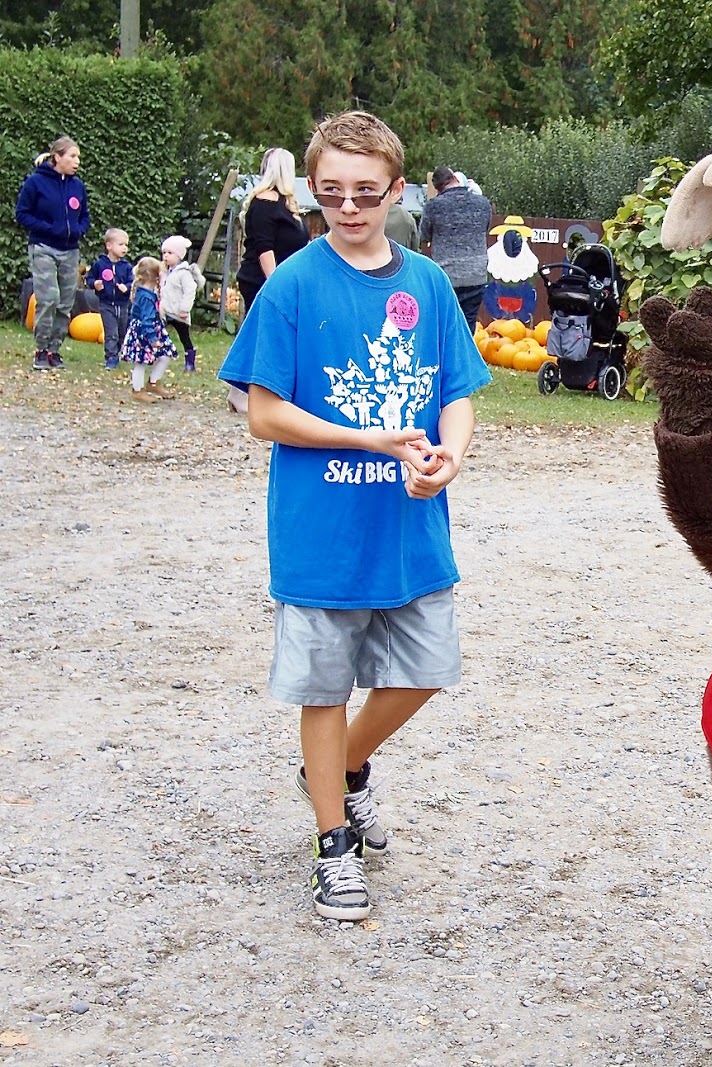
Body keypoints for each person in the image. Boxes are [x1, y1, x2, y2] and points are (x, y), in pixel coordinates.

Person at [217, 110, 491, 922]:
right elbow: (262, 413)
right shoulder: (295, 283)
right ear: (312, 190)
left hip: (410, 529)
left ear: (396, 192)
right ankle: (332, 840)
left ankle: (343, 765)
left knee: (425, 670)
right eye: (330, 192)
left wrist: (451, 458)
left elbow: (457, 395)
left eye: (365, 193)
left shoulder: (429, 283)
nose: (347, 207)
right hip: (320, 533)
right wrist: (368, 438)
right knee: (325, 686)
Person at [232, 147, 309, 413]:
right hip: (261, 279)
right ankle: (239, 392)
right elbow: (265, 248)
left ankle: (269, 391)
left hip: (283, 280)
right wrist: (274, 284)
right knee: (259, 335)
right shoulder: (264, 202)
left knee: (274, 337)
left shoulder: (286, 204)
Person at [15, 135, 91, 371]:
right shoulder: (35, 183)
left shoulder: (77, 186)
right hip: (43, 248)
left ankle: (54, 350)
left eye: (78, 156)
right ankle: (40, 350)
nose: (77, 161)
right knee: (48, 299)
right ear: (57, 157)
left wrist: (78, 230)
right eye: (72, 156)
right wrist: (50, 229)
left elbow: (85, 216)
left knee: (65, 303)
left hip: (70, 251)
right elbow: (22, 214)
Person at [418, 165, 491, 326]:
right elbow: (485, 228)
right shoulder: (483, 203)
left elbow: (424, 236)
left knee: (444, 325)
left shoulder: (433, 206)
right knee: (468, 324)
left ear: (438, 189)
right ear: (456, 179)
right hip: (476, 275)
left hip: (446, 276)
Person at [121, 256, 178, 403]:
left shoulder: (149, 293)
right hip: (145, 332)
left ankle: (153, 383)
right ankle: (137, 390)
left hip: (153, 328)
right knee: (141, 362)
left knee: (166, 354)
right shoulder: (145, 297)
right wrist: (152, 339)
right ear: (155, 276)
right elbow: (146, 320)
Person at [90, 227, 134, 371]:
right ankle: (111, 358)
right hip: (106, 304)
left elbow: (132, 282)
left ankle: (121, 352)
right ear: (109, 246)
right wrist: (94, 284)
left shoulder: (126, 267)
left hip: (123, 305)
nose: (124, 248)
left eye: (126, 245)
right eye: (121, 244)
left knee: (122, 332)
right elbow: (90, 278)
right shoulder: (100, 264)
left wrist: (126, 288)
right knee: (111, 333)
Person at [159, 235, 204, 372]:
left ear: (179, 255)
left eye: (170, 253)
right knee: (158, 333)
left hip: (179, 313)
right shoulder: (165, 272)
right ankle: (157, 357)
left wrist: (184, 309)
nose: (166, 256)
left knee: (184, 337)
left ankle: (190, 360)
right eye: (164, 253)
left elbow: (190, 291)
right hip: (165, 311)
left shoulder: (184, 273)